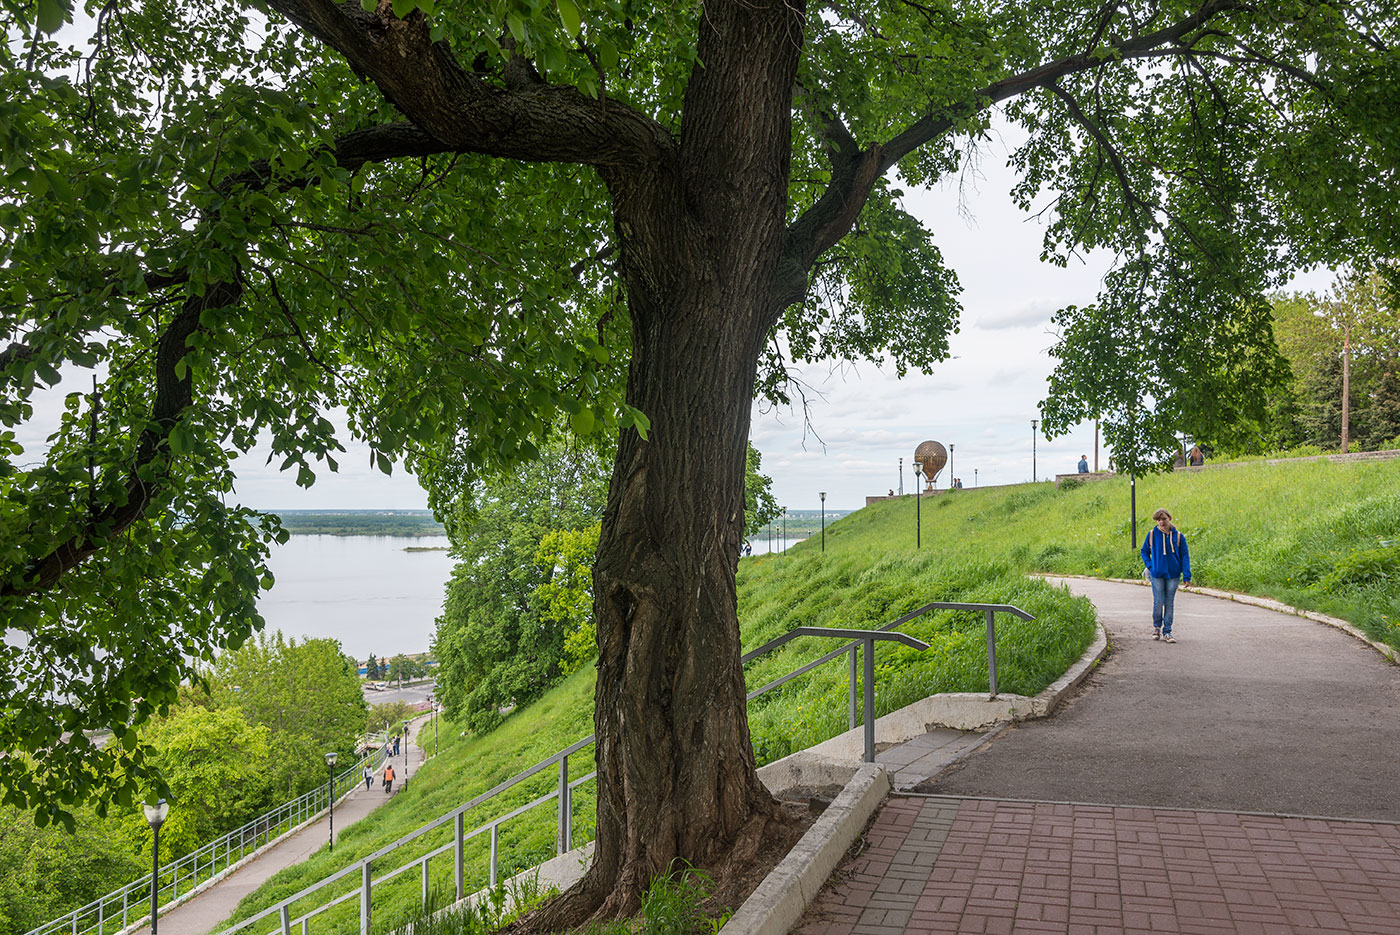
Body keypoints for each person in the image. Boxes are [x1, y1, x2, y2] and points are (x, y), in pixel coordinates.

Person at [1140, 508, 1191, 643]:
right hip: (1157, 574)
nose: (1161, 522)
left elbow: (1185, 556)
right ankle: (1156, 627)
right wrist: (1150, 566)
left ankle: (1167, 631)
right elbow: (1144, 551)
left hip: (1173, 574)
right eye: (1158, 520)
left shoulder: (1179, 536)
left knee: (1169, 602)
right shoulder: (1151, 535)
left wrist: (1187, 575)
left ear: (1170, 518)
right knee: (1158, 602)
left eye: (1163, 519)